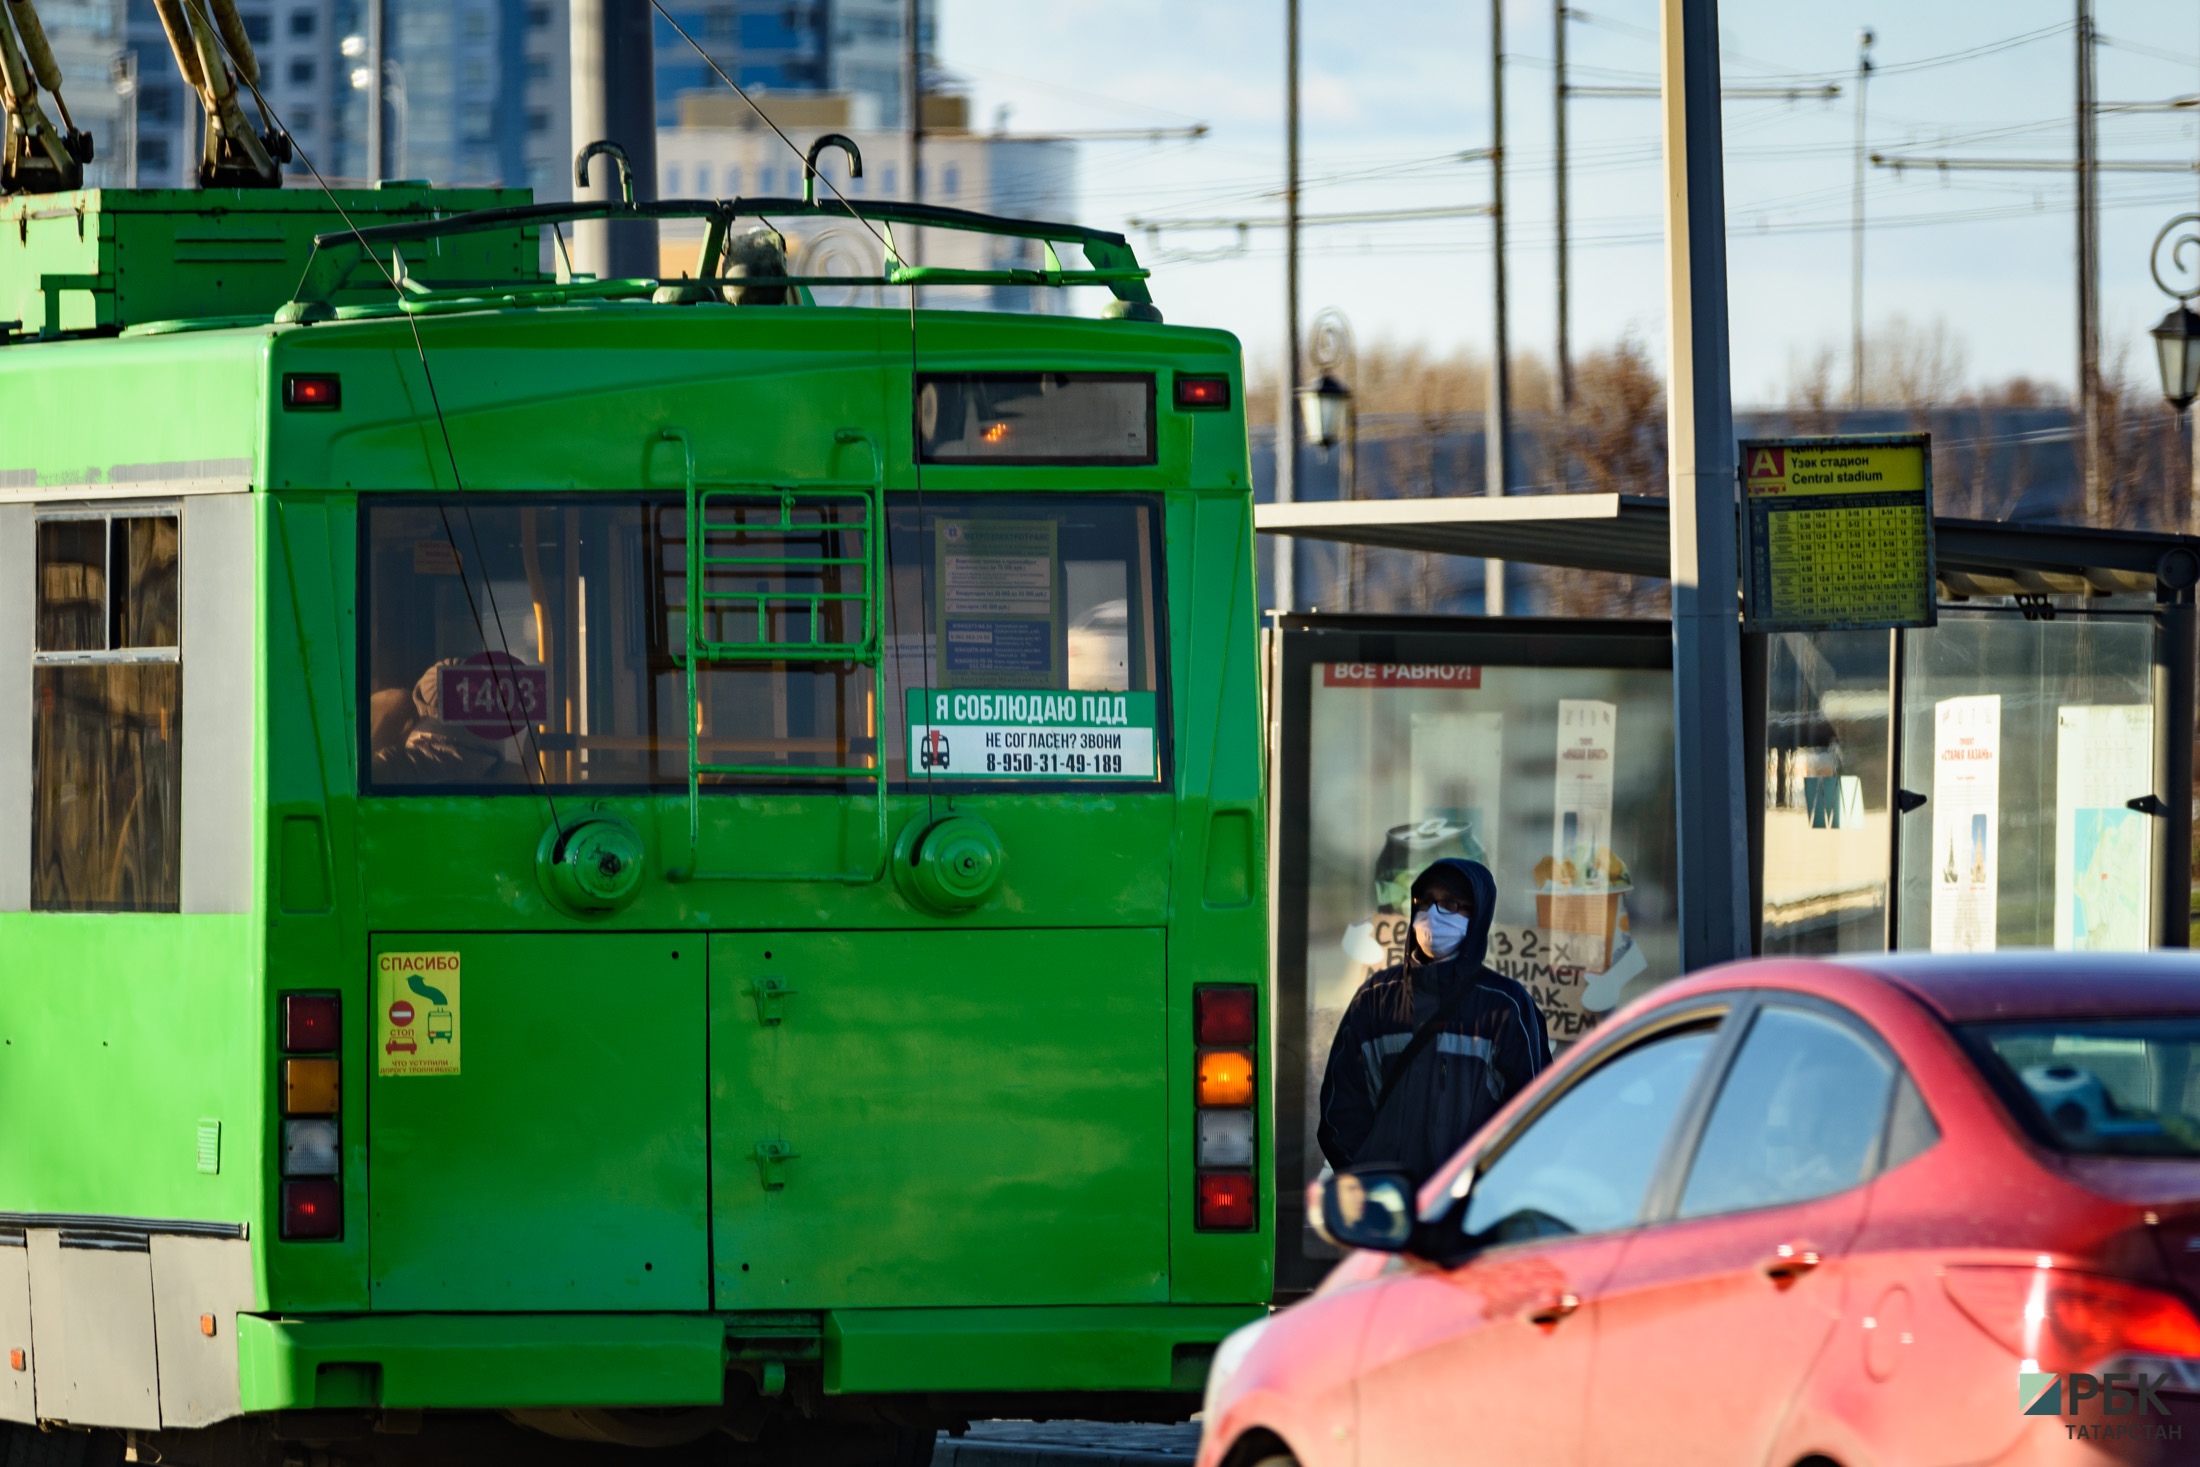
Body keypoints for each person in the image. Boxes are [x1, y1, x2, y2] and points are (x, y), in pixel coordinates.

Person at [1317, 857, 1552, 1182]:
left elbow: (1535, 1112)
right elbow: (1340, 1111)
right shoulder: (1376, 998)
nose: (1432, 916)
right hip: (1388, 1212)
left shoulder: (1505, 1005)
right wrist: (1369, 1186)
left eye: (1451, 904)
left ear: (1478, 914)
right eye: (1425, 903)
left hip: (1468, 1210)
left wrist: (1487, 1191)